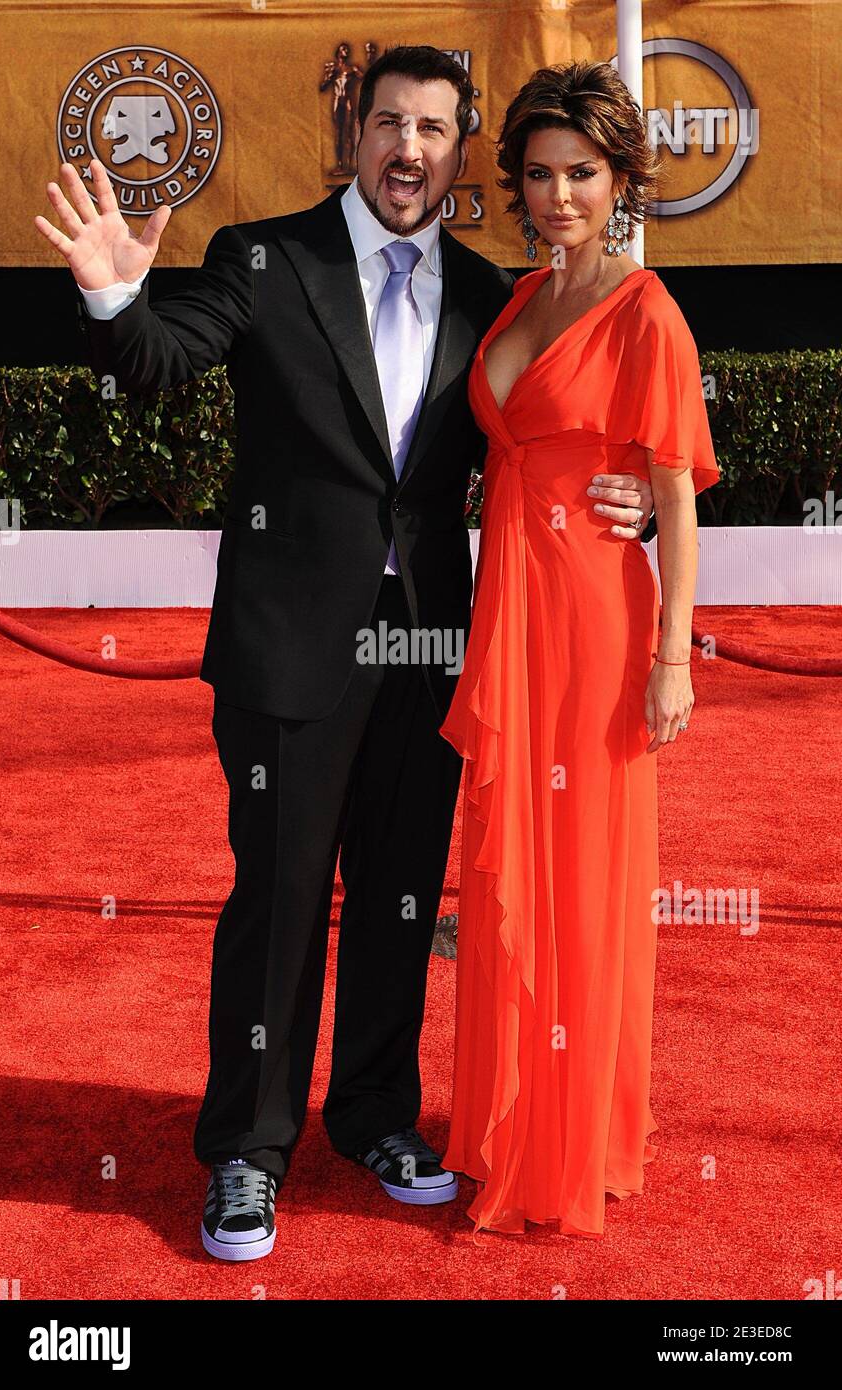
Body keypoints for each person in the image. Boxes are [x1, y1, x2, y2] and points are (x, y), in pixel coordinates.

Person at [34, 45, 654, 1261]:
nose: (407, 150)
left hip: (430, 648)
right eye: (386, 124)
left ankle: (373, 1115)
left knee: (400, 895)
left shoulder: (495, 293)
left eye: (432, 129)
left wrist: (626, 490)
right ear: (351, 132)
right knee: (276, 902)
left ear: (460, 150)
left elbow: (559, 427)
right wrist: (116, 299)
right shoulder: (264, 258)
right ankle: (248, 1155)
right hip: (288, 645)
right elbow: (163, 360)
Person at [439, 59, 721, 1239]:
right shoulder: (516, 298)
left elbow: (674, 497)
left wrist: (671, 659)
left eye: (583, 176)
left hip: (595, 626)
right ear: (516, 185)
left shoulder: (644, 309)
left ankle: (569, 1146)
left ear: (620, 183)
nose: (560, 196)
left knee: (580, 885)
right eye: (541, 175)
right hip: (512, 614)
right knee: (510, 875)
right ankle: (510, 1120)